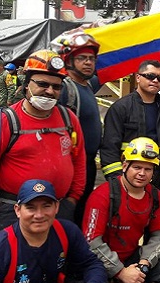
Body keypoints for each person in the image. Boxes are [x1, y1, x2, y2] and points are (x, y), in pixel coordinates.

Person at [0, 49, 86, 242]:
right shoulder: (4, 122)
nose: (50, 91)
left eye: (56, 86)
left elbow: (79, 162)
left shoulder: (69, 119)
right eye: (42, 84)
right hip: (11, 211)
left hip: (57, 209)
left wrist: (72, 199)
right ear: (26, 85)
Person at [82, 137, 160, 283]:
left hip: (133, 261)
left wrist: (142, 266)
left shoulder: (155, 196)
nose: (142, 174)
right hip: (102, 266)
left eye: (148, 169)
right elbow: (91, 242)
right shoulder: (103, 195)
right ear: (125, 165)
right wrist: (119, 272)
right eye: (137, 167)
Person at [101, 59, 160, 222]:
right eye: (150, 76)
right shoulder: (121, 108)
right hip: (131, 180)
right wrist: (117, 184)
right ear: (138, 77)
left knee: (158, 222)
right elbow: (109, 149)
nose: (155, 81)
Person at [51, 32, 103, 226]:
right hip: (69, 164)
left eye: (91, 58)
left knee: (80, 214)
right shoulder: (64, 88)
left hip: (87, 165)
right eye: (82, 58)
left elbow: (110, 71)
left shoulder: (88, 85)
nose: (88, 62)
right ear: (69, 60)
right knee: (66, 216)